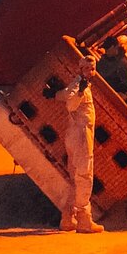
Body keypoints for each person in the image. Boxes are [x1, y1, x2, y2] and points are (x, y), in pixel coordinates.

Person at [55, 55, 104, 233]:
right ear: (80, 69)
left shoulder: (78, 83)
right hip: (82, 133)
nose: (92, 72)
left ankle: (68, 217)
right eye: (88, 69)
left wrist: (55, 94)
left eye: (93, 68)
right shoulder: (80, 85)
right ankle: (84, 219)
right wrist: (81, 92)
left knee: (74, 175)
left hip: (74, 133)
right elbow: (71, 103)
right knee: (84, 174)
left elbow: (65, 95)